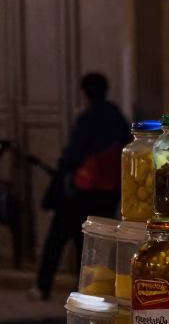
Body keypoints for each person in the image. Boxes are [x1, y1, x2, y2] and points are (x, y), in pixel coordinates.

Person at [31, 73, 131, 301]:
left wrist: (61, 170)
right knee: (93, 242)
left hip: (81, 192)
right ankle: (88, 288)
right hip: (109, 193)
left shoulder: (87, 118)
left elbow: (74, 155)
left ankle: (42, 286)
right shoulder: (117, 118)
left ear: (85, 93)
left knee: (57, 239)